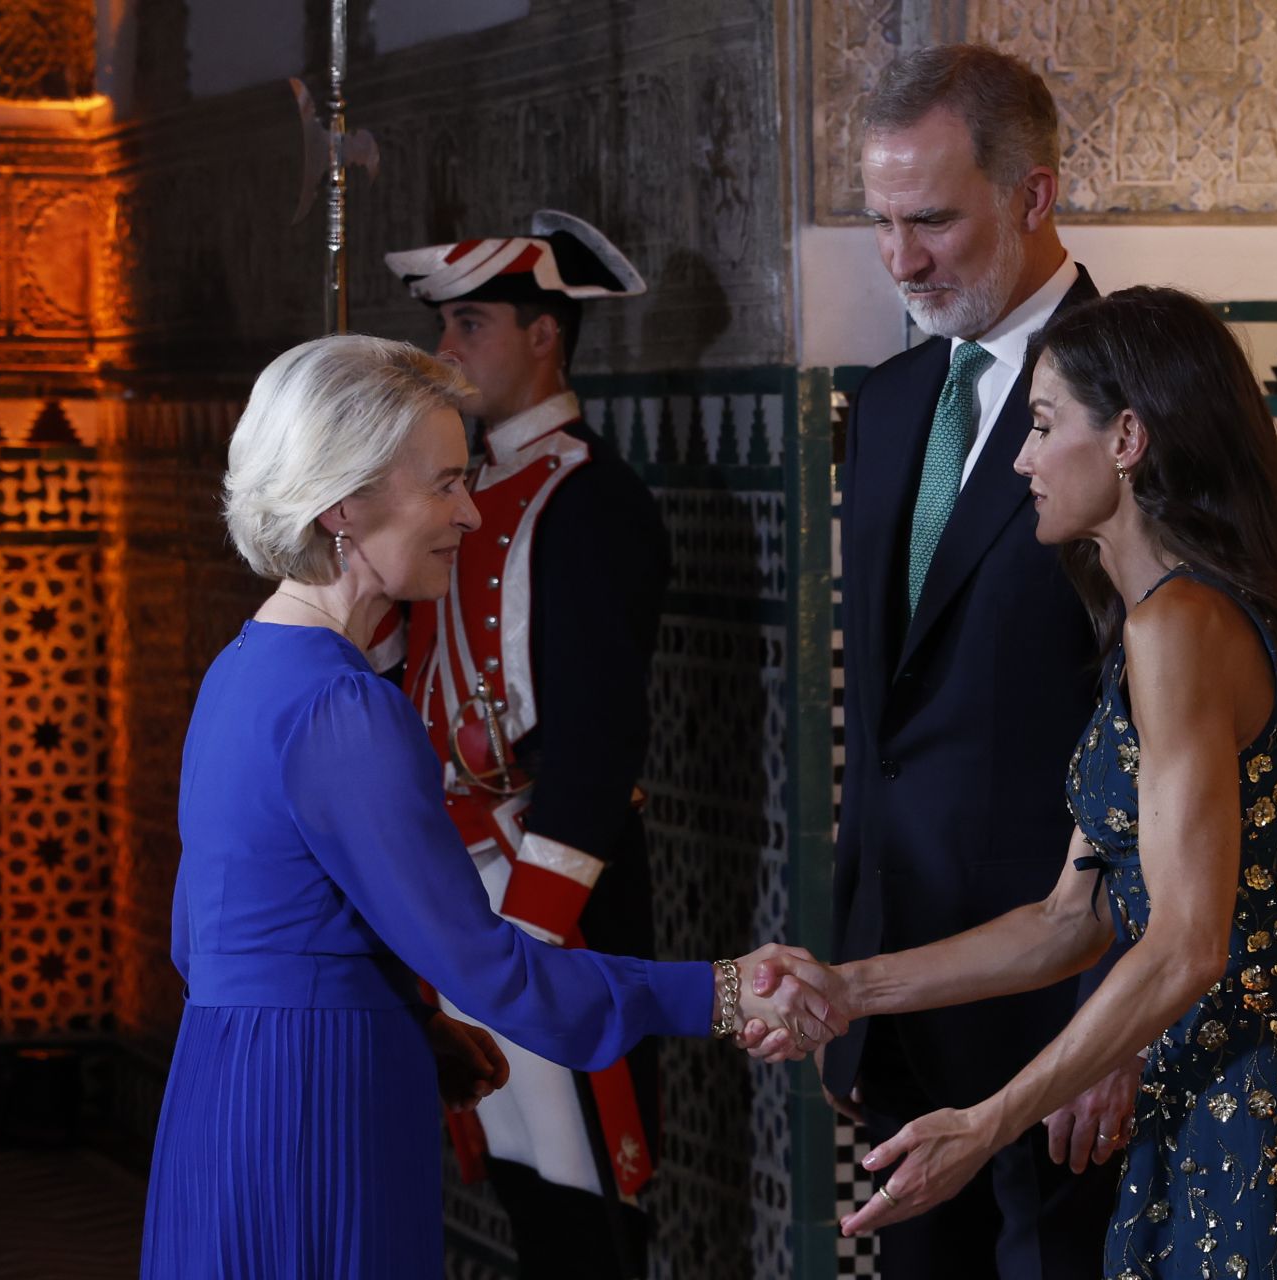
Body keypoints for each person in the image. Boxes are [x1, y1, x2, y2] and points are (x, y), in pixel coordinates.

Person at [775, 287, 1277, 1279]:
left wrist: (986, 1121)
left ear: (1128, 436)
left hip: (1262, 1104)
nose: (1022, 458)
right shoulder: (1151, 619)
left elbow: (1188, 941)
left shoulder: (1177, 626)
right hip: (1222, 1092)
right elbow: (1070, 918)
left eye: (1043, 425)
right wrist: (853, 986)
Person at [138, 335, 841, 1279]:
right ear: (344, 504)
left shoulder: (240, 671)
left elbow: (207, 940)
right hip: (316, 1107)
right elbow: (491, 971)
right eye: (443, 485)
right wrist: (720, 992)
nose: (469, 513)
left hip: (227, 1087)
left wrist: (413, 1026)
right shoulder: (346, 707)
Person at [825, 41, 1132, 1277]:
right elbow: (890, 724)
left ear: (1034, 195)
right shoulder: (892, 398)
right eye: (882, 222)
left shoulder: (1138, 390)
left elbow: (1169, 731)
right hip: (907, 986)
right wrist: (859, 975)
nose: (901, 261)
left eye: (934, 221)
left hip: (1062, 1008)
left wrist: (1117, 1020)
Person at [375, 213, 672, 1278]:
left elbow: (599, 732)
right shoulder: (455, 485)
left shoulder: (590, 497)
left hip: (550, 890)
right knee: (512, 1171)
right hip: (456, 878)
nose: (447, 351)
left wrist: (532, 927)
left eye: (471, 324)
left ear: (545, 334)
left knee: (585, 1192)